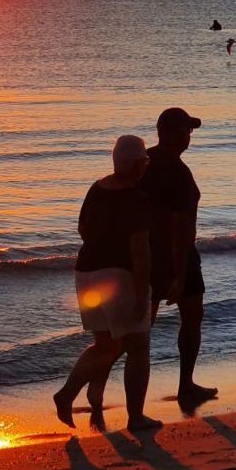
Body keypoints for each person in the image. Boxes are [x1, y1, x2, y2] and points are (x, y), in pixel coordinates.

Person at [53, 136, 162, 432]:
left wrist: (102, 242)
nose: (146, 167)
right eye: (144, 161)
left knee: (105, 344)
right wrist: (142, 293)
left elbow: (82, 229)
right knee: (138, 345)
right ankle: (136, 417)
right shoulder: (138, 200)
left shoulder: (97, 188)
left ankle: (66, 394)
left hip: (86, 271)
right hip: (120, 276)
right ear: (136, 163)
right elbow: (140, 251)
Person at [139, 108, 218, 401]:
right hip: (176, 255)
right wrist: (181, 272)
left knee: (141, 327)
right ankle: (186, 384)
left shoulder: (142, 163)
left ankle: (106, 388)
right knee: (192, 315)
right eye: (186, 130)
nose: (190, 135)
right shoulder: (179, 172)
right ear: (171, 133)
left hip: (143, 254)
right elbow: (183, 226)